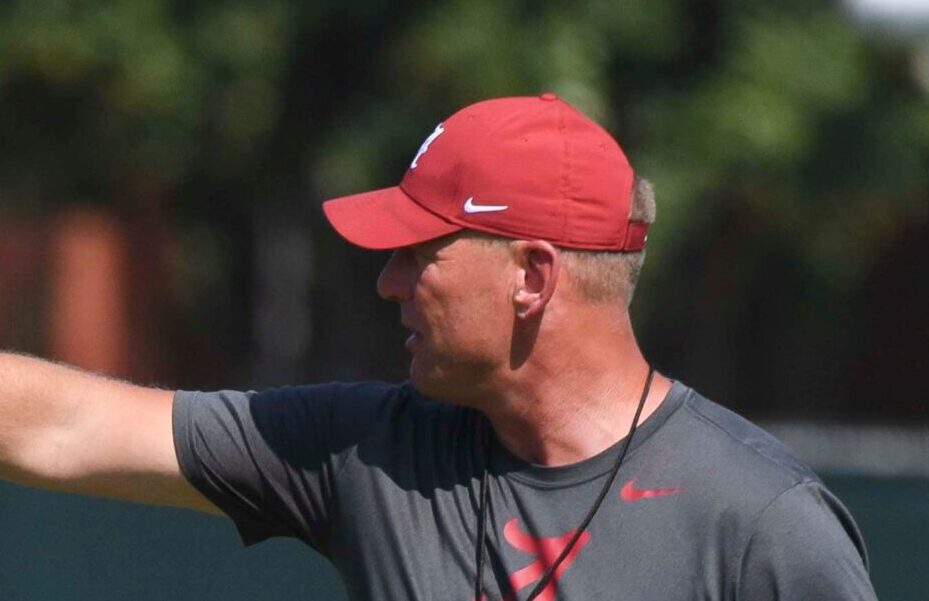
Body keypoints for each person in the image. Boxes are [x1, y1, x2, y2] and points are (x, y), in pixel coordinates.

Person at [0, 94, 877, 600]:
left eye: (421, 252)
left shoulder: (762, 524)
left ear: (532, 277)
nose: (387, 282)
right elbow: (59, 427)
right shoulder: (367, 448)